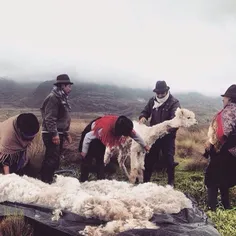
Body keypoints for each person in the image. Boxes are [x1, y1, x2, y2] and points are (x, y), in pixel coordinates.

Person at [78, 115, 150, 182]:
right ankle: (83, 181)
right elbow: (87, 137)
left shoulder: (124, 126)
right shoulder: (103, 130)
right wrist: (84, 152)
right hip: (90, 134)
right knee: (87, 160)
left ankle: (101, 181)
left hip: (101, 139)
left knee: (100, 160)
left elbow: (134, 135)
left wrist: (144, 145)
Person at [139, 81, 180, 186]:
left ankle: (171, 182)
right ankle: (146, 181)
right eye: (158, 93)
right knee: (149, 159)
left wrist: (167, 130)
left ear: (167, 91)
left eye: (162, 93)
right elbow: (145, 111)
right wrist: (143, 117)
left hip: (168, 136)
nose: (160, 95)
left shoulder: (174, 102)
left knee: (169, 159)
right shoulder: (152, 101)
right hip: (153, 136)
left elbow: (176, 120)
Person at [204, 84, 236, 211]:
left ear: (230, 98)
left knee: (212, 178)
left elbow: (221, 134)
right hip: (234, 152)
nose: (223, 99)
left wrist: (211, 146)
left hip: (222, 151)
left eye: (225, 97)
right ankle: (226, 205)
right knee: (226, 178)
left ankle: (211, 208)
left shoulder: (227, 113)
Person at [40, 74, 73, 184]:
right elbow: (50, 118)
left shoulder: (62, 98)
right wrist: (54, 134)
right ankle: (46, 181)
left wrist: (66, 132)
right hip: (51, 133)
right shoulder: (53, 98)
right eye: (69, 86)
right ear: (63, 86)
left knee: (55, 158)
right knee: (52, 158)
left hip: (59, 132)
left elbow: (64, 118)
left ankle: (48, 178)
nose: (70, 89)